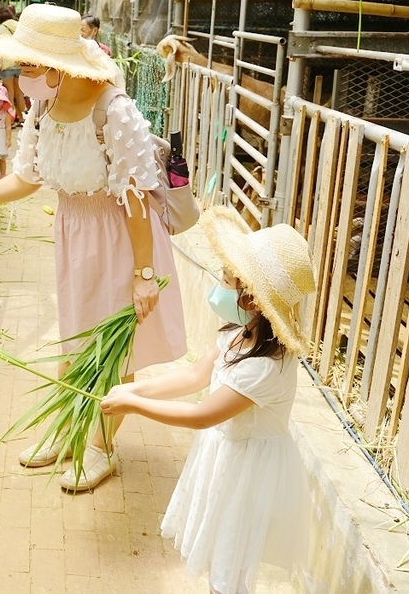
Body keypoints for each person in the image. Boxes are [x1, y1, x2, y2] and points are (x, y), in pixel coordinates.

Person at [0, 4, 187, 491]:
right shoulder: (43, 110)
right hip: (74, 235)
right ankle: (67, 429)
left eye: (28, 68)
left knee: (116, 353)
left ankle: (101, 449)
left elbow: (133, 200)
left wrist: (144, 274)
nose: (21, 78)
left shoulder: (114, 111)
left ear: (58, 67)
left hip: (121, 238)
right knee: (74, 339)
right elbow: (26, 179)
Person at [100, 206, 315, 594]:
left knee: (230, 564)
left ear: (250, 299)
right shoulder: (239, 335)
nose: (219, 283)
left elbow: (201, 416)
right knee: (222, 550)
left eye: (226, 278)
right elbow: (194, 376)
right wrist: (133, 388)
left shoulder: (264, 368)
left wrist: (134, 406)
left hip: (249, 471)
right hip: (228, 455)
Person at [0, 6, 26, 123]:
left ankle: (10, 120)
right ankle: (23, 119)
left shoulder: (2, 28)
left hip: (7, 64)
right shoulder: (18, 25)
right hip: (19, 63)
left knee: (9, 94)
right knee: (19, 93)